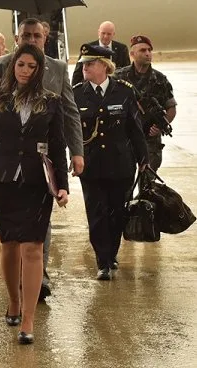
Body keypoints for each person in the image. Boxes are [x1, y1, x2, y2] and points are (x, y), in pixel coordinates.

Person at [0, 18, 83, 300]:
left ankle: (38, 273)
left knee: (38, 231)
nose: (31, 40)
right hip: (6, 162)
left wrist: (77, 152)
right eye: (26, 35)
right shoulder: (0, 66)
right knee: (9, 237)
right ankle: (16, 291)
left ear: (45, 38)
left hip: (40, 165)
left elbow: (68, 115)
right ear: (17, 37)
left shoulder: (57, 69)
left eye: (37, 35)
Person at [0, 43, 69, 344]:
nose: (25, 71)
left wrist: (62, 185)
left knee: (33, 247)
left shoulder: (52, 102)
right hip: (3, 178)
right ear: (13, 66)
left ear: (40, 70)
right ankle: (13, 299)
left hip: (37, 182)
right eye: (20, 65)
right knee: (9, 245)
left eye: (31, 66)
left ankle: (28, 318)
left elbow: (58, 145)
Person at [73, 44, 148, 280]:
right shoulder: (76, 93)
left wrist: (143, 159)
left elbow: (135, 129)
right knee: (96, 214)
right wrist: (72, 158)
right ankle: (102, 261)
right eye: (83, 63)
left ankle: (111, 253)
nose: (84, 67)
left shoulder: (125, 91)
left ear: (105, 66)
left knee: (117, 213)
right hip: (91, 166)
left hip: (120, 165)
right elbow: (71, 132)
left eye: (90, 63)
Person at [114, 35, 176, 174]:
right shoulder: (119, 76)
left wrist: (161, 126)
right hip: (124, 138)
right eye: (143, 50)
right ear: (132, 54)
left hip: (150, 140)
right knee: (124, 184)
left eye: (149, 50)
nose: (148, 53)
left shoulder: (159, 79)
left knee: (147, 184)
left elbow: (171, 108)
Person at [71, 21, 130, 85]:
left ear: (113, 34)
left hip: (116, 87)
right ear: (98, 32)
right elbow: (78, 73)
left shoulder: (122, 49)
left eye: (109, 34)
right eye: (103, 33)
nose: (105, 36)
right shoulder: (88, 48)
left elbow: (127, 71)